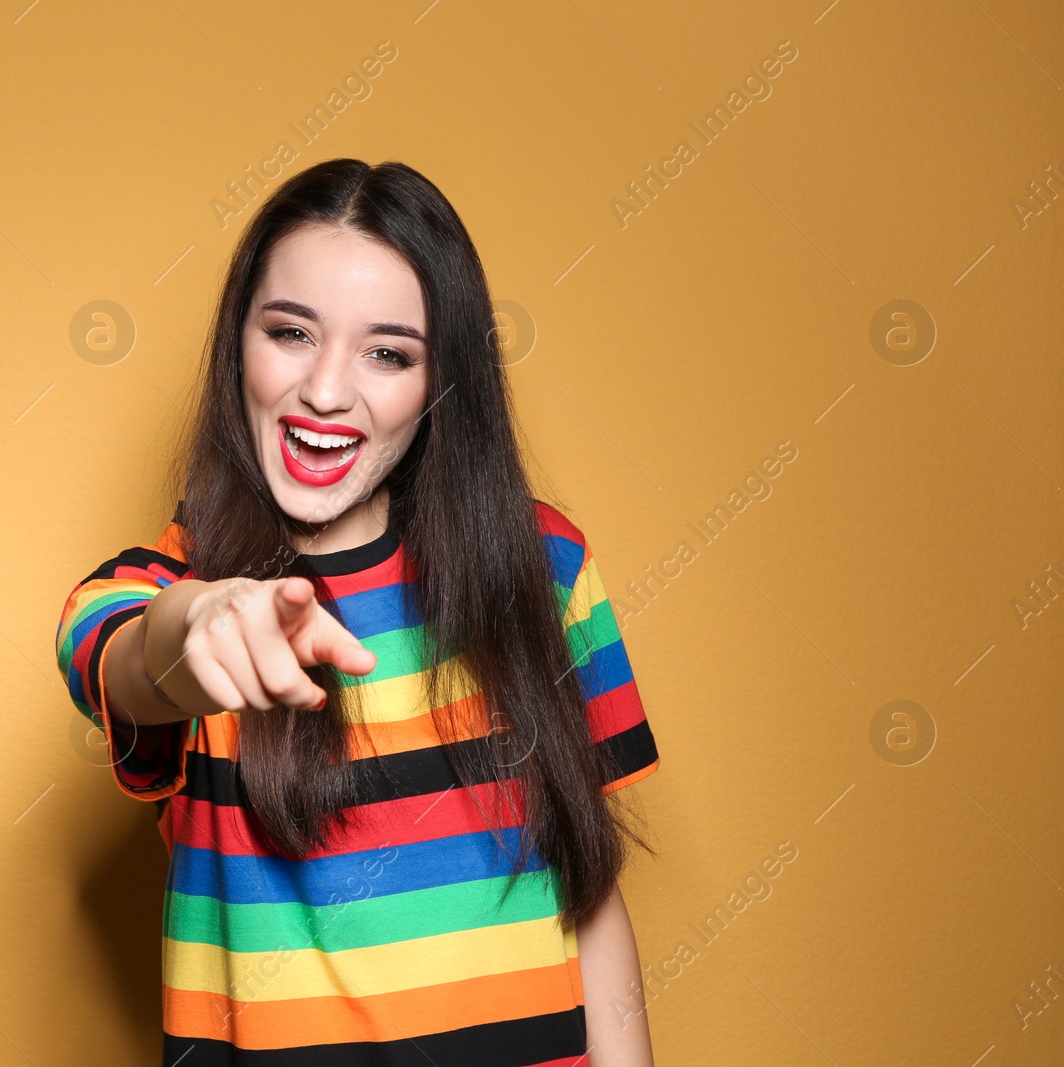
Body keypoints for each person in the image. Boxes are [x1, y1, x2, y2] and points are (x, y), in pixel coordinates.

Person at [54, 158, 661, 1066]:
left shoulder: (545, 566)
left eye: (388, 352)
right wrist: (201, 622)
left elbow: (589, 885)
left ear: (441, 380)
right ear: (238, 346)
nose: (328, 393)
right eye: (291, 333)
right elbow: (120, 652)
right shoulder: (163, 584)